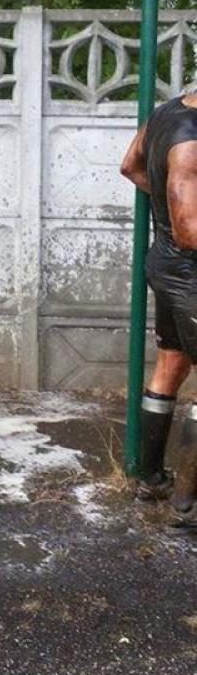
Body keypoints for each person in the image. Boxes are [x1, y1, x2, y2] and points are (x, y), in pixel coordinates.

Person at [121, 90, 197, 525]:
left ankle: (151, 479)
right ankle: (187, 504)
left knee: (172, 364)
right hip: (189, 272)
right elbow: (189, 231)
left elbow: (129, 166)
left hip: (169, 266)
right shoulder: (191, 142)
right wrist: (177, 206)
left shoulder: (166, 112)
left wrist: (170, 200)